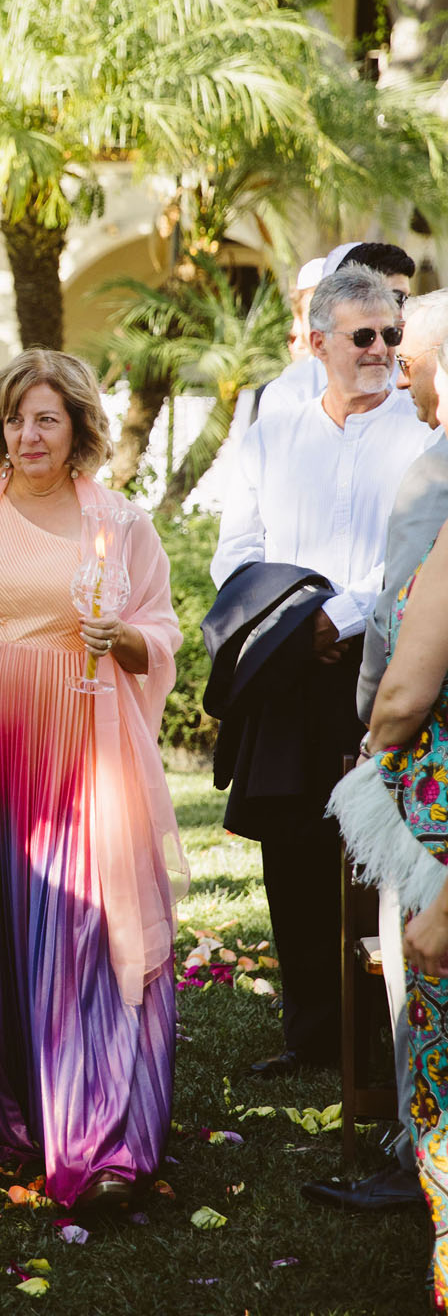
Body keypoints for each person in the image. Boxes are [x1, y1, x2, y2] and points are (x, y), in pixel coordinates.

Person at [0, 349, 186, 1209]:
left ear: (77, 428)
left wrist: (123, 639)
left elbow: (162, 633)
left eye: (45, 419)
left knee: (77, 927)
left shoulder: (119, 522)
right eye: (13, 419)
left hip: (75, 747)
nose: (26, 435)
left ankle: (94, 1130)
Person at [210, 264, 429, 1076]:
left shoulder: (423, 431)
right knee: (291, 849)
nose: (381, 350)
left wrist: (343, 615)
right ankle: (309, 1034)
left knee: (377, 850)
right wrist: (296, 622)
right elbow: (238, 552)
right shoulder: (272, 432)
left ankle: (382, 1031)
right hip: (287, 668)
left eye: (392, 336)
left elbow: (423, 562)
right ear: (316, 341)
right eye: (363, 336)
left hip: (387, 665)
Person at [304, 288, 448, 1215]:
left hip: (431, 783)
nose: (399, 362)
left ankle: (421, 1153)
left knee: (426, 979)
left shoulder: (434, 475)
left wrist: (376, 735)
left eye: (413, 348)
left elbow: (404, 665)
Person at [258, 241, 415, 418]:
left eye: (388, 335)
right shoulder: (288, 395)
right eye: (363, 336)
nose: (402, 312)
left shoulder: (415, 385)